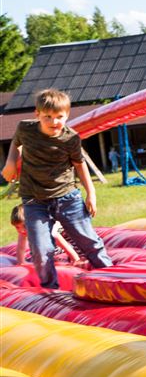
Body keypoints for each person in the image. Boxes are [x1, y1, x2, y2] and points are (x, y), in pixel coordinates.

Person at [1, 89, 113, 289]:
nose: (54, 122)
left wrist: (91, 193)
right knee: (40, 249)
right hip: (34, 200)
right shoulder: (25, 128)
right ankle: (50, 290)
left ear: (67, 115)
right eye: (48, 117)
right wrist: (10, 162)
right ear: (37, 114)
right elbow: (16, 143)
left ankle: (113, 277)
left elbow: (80, 164)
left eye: (59, 117)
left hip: (67, 197)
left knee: (89, 242)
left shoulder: (70, 138)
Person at [10, 205, 85, 267]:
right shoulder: (23, 231)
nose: (21, 230)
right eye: (17, 227)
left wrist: (76, 260)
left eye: (24, 226)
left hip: (67, 235)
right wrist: (21, 263)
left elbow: (63, 243)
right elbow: (21, 247)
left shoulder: (47, 229)